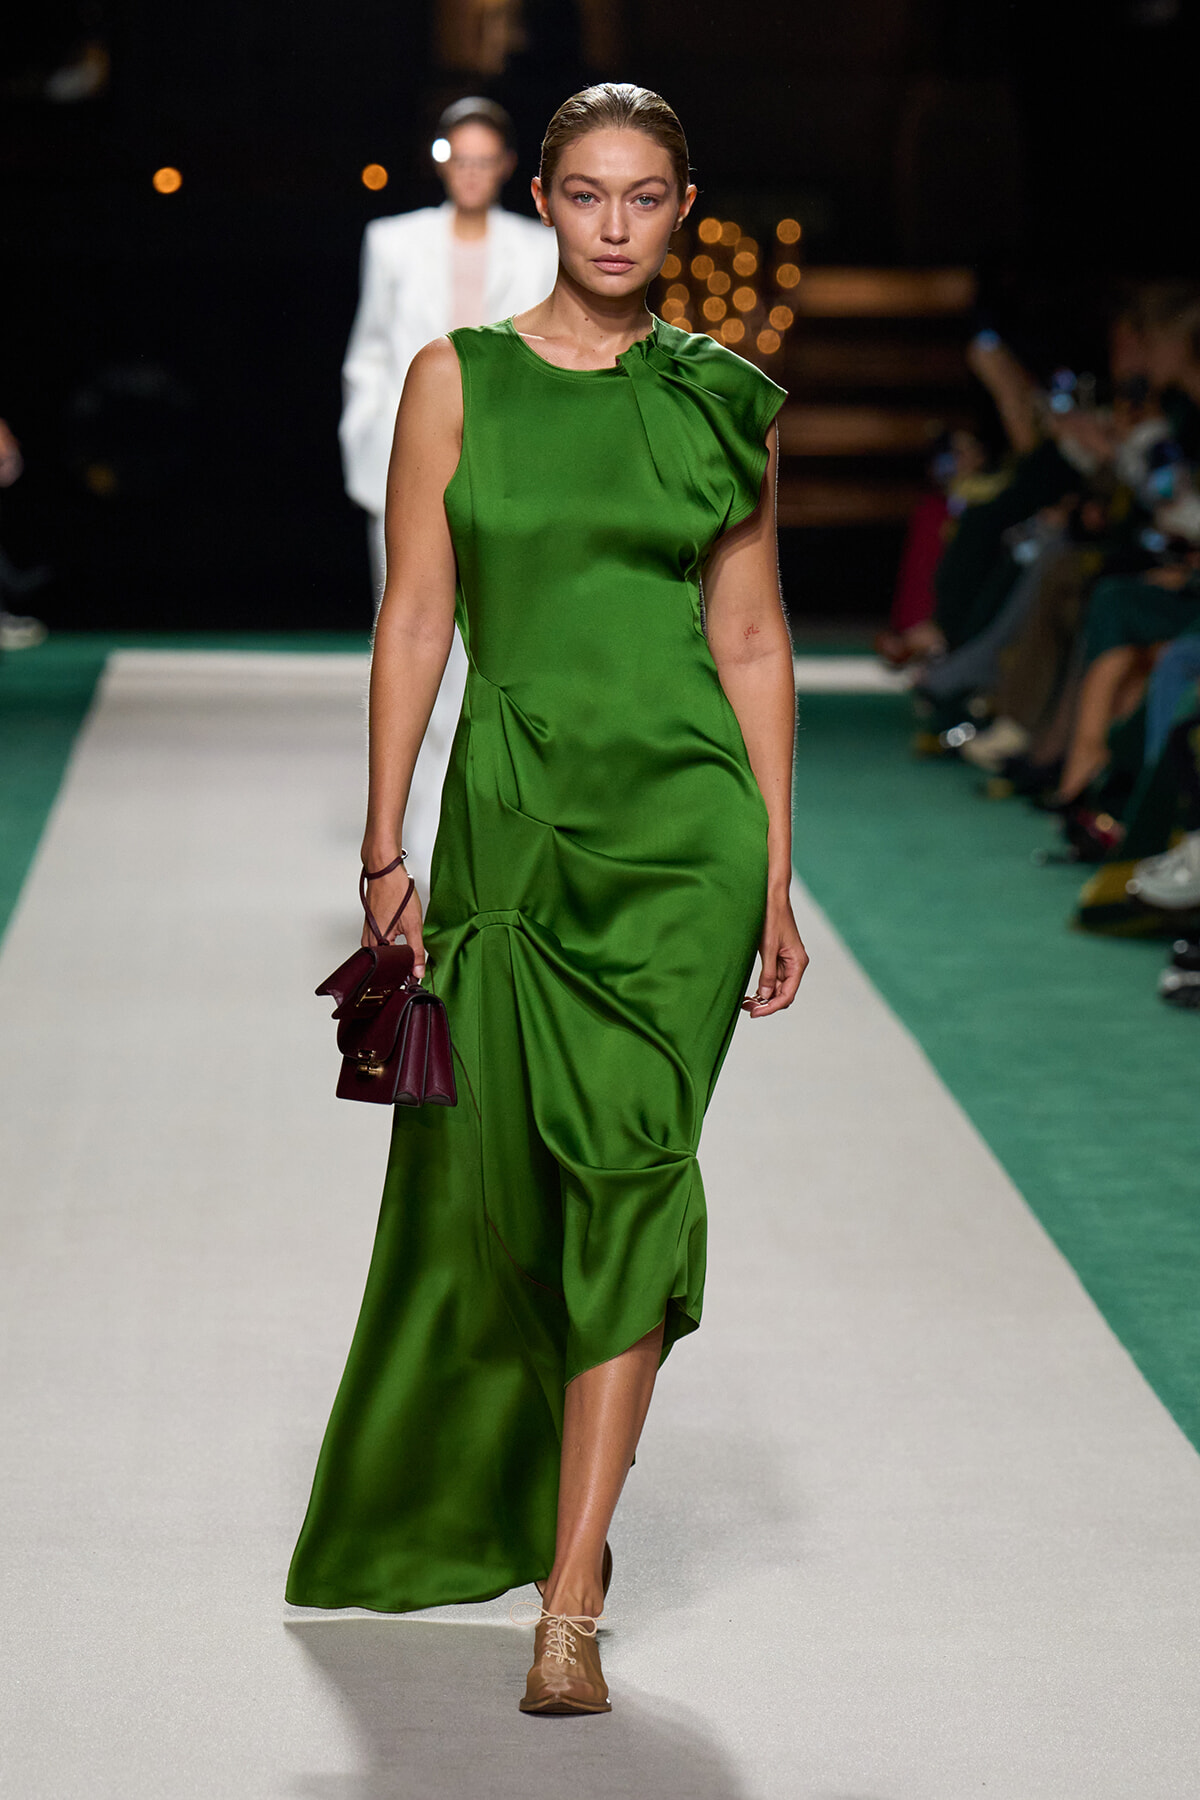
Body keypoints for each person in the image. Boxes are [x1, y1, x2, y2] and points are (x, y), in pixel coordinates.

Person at [287, 82, 807, 1716]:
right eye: (586, 192)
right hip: (514, 827)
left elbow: (751, 637)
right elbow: (417, 614)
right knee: (506, 1176)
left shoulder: (727, 398)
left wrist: (777, 872)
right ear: (552, 203)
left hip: (686, 846)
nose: (612, 222)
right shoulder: (462, 382)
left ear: (680, 208)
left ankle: (572, 1589)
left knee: (640, 1167)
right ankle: (499, 1503)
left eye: (644, 196)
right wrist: (384, 846)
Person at [339, 96, 560, 894]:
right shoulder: (391, 241)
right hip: (404, 467)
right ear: (441, 161)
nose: (469, 170)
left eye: (483, 158)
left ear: (505, 167)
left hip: (509, 472)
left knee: (497, 656)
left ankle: (479, 846)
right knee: (411, 641)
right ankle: (423, 859)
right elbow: (367, 350)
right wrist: (369, 440)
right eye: (456, 156)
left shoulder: (542, 248)